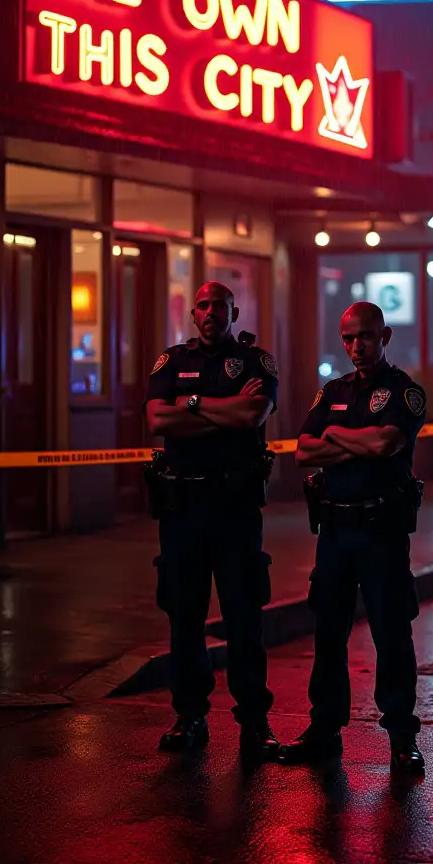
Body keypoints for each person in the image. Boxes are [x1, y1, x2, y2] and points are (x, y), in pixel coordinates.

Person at [279, 302, 427, 774]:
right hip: (336, 530)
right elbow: (303, 450)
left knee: (391, 634)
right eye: (347, 339)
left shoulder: (404, 391)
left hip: (381, 530)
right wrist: (355, 438)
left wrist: (336, 437)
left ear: (384, 336)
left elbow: (387, 445)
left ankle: (402, 737)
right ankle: (324, 728)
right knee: (327, 633)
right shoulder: (334, 392)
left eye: (364, 337)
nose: (356, 347)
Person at [144, 281, 279, 760]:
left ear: (233, 312)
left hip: (235, 508)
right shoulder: (171, 360)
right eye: (202, 306)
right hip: (182, 509)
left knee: (245, 616)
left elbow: (252, 413)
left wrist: (192, 405)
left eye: (219, 306)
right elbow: (157, 420)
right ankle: (190, 715)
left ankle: (254, 723)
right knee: (185, 615)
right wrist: (222, 409)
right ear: (192, 314)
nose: (210, 313)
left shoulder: (255, 361)